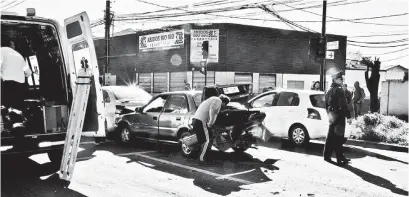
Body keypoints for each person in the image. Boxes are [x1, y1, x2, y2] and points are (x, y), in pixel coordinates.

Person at [323, 71, 351, 166]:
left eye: (342, 78)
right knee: (339, 137)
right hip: (339, 115)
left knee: (330, 137)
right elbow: (343, 104)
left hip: (331, 115)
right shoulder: (339, 90)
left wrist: (329, 114)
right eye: (340, 79)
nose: (342, 80)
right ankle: (340, 158)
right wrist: (348, 116)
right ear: (335, 79)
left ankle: (327, 156)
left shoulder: (329, 90)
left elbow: (325, 104)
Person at [192, 94, 230, 162]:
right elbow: (212, 110)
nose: (224, 106)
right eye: (225, 105)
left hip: (196, 120)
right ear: (224, 102)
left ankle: (203, 154)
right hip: (201, 121)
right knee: (206, 141)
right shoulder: (218, 100)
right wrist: (211, 122)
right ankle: (201, 159)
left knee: (207, 136)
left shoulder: (211, 99)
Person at [1, 37, 32, 111]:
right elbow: (28, 73)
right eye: (14, 45)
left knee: (5, 110)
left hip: (6, 86)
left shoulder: (1, 51)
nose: (14, 47)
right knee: (16, 110)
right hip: (20, 88)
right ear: (11, 45)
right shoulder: (19, 55)